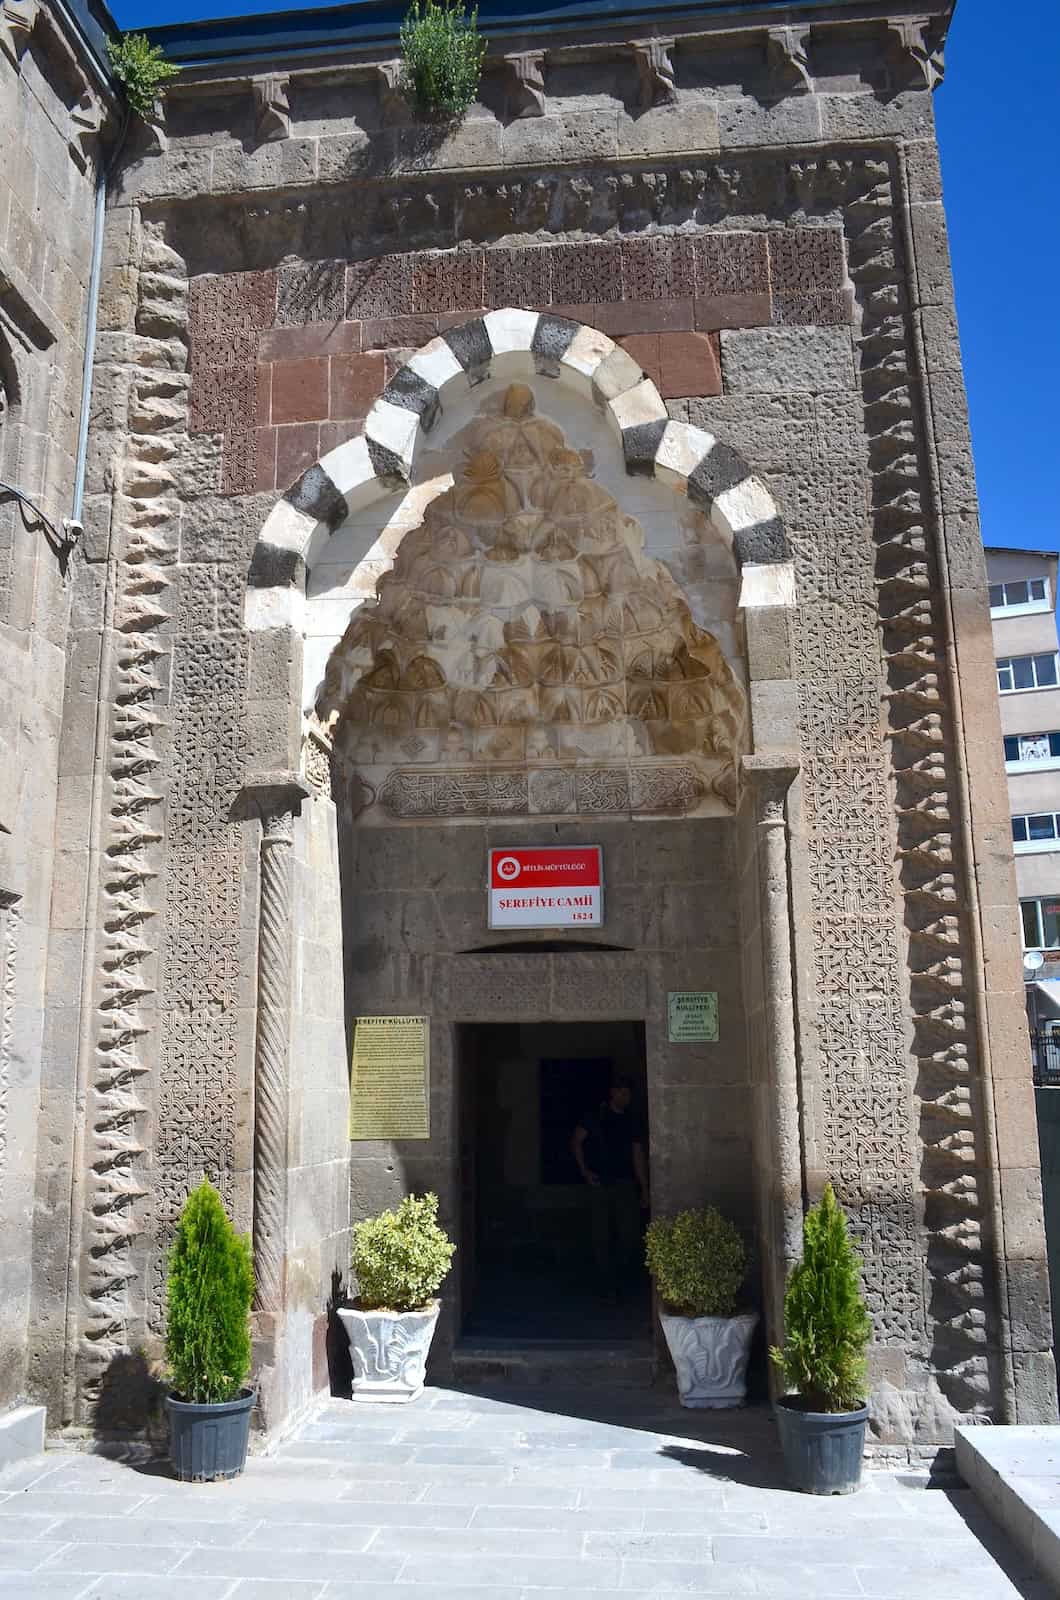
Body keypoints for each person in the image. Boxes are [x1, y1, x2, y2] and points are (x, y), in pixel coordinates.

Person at [571, 1077, 649, 1301]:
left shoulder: (632, 1121)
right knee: (600, 1235)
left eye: (628, 1093)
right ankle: (605, 1285)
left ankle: (619, 1280)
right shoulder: (595, 1117)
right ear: (613, 1093)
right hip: (599, 1183)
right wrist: (585, 1171)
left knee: (629, 1234)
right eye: (622, 1092)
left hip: (625, 1183)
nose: (625, 1097)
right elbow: (576, 1141)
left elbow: (638, 1154)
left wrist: (644, 1188)